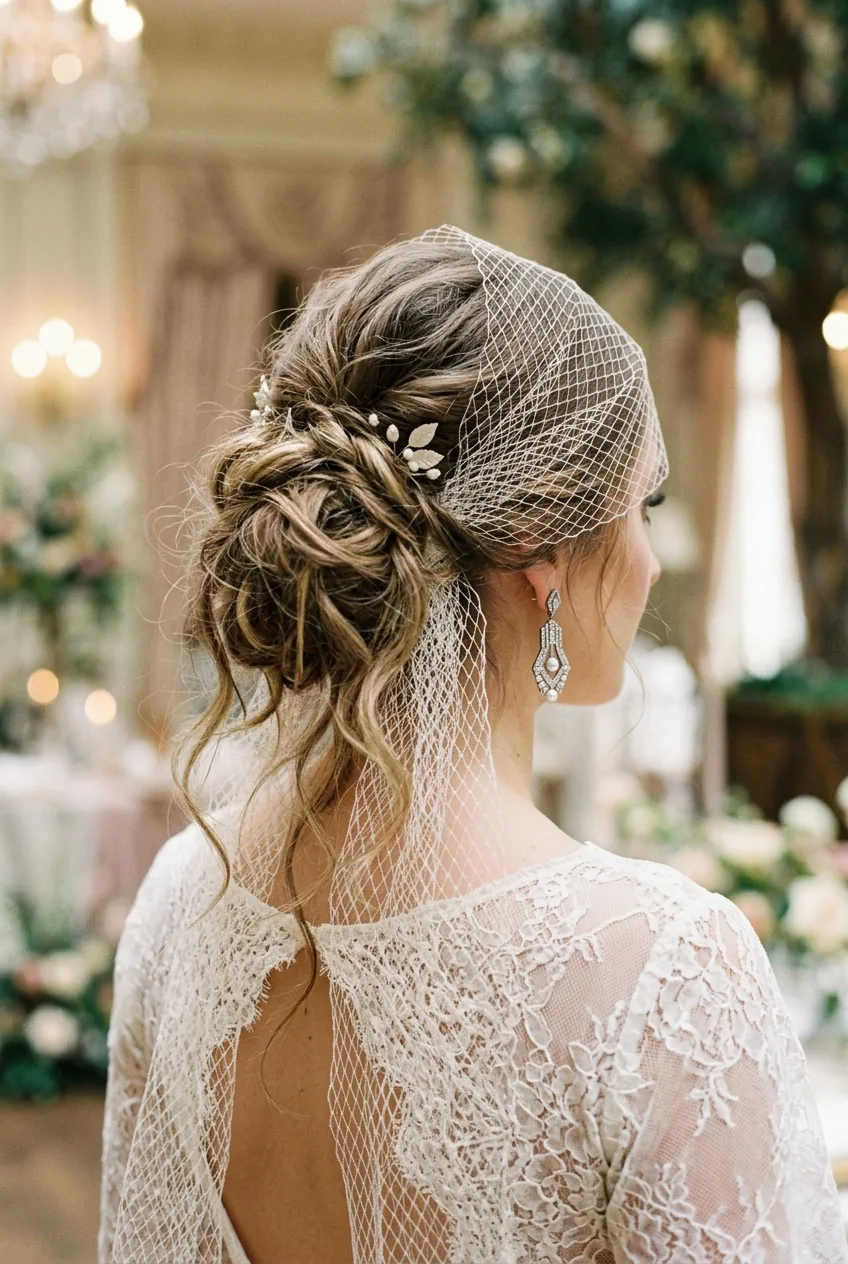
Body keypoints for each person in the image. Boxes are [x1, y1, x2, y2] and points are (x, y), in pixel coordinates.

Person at [99, 227, 846, 1263]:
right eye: (647, 502)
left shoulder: (185, 892)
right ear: (537, 545)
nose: (643, 557)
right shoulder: (660, 969)